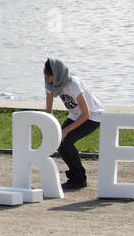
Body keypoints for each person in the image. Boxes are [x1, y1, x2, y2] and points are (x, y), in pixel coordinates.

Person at [43, 57, 104, 191]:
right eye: (45, 75)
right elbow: (49, 111)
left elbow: (86, 114)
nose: (47, 79)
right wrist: (48, 129)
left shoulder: (73, 84)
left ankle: (80, 179)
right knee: (59, 141)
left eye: (49, 76)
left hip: (93, 116)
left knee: (67, 140)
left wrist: (65, 130)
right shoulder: (49, 83)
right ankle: (74, 177)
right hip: (75, 115)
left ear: (58, 74)